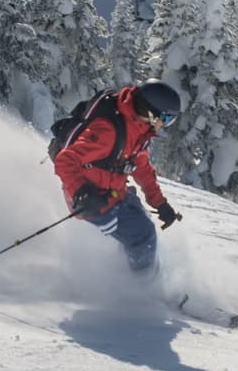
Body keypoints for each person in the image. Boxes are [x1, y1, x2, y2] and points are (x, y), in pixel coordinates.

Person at [52, 80, 182, 275]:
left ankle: (133, 273)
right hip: (91, 201)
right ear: (151, 113)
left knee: (141, 220)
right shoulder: (109, 131)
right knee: (142, 235)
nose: (165, 125)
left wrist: (159, 203)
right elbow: (65, 160)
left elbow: (142, 168)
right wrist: (81, 192)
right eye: (167, 119)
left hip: (114, 192)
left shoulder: (138, 130)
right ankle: (144, 288)